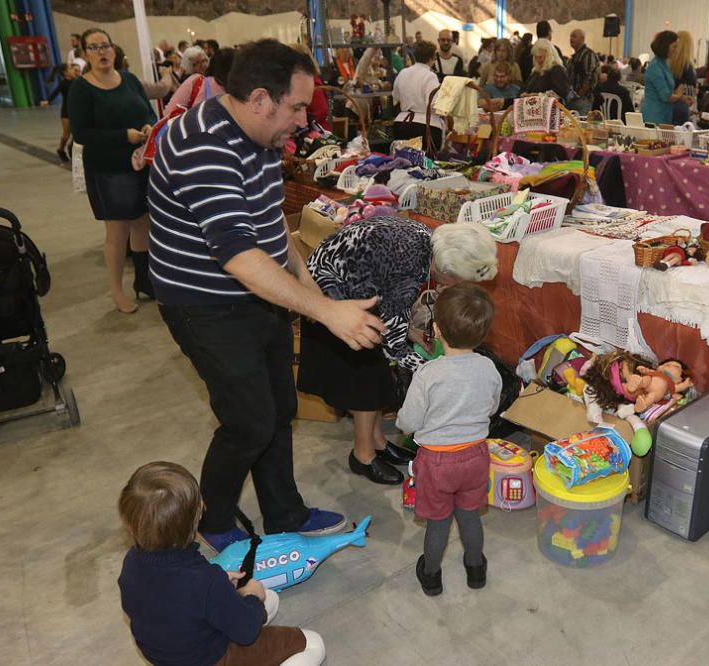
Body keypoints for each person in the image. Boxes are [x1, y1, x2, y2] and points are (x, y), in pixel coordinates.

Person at [148, 39, 384, 552]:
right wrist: (323, 311)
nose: (303, 119)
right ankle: (211, 518)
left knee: (278, 407)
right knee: (248, 421)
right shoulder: (202, 143)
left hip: (259, 293)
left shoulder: (260, 135)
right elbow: (237, 254)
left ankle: (284, 512)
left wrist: (307, 285)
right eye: (297, 106)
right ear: (260, 98)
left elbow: (268, 219)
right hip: (203, 303)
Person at [297, 220, 499, 486]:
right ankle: (363, 455)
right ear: (448, 272)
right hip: (331, 299)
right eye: (462, 280)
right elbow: (394, 346)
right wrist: (440, 367)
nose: (460, 285)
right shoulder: (410, 267)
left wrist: (411, 333)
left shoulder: (427, 241)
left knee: (374, 376)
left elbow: (394, 312)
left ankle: (377, 441)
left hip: (351, 286)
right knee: (368, 380)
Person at [117, 462, 326, 666]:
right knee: (313, 644)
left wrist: (221, 583)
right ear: (195, 518)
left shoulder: (131, 564)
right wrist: (252, 597)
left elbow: (171, 598)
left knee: (268, 599)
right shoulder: (205, 581)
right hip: (213, 658)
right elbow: (246, 632)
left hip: (166, 657)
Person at [397, 284, 501, 597]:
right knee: (469, 516)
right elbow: (492, 406)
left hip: (437, 462)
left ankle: (431, 576)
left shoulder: (429, 373)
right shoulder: (489, 368)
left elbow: (409, 421)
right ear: (483, 334)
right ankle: (475, 570)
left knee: (439, 523)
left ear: (437, 329)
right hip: (475, 456)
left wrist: (404, 428)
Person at [68, 28, 156, 314]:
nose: (102, 51)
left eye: (105, 45)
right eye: (93, 47)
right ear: (84, 55)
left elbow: (148, 112)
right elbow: (81, 133)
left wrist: (146, 127)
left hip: (139, 163)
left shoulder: (129, 80)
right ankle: (116, 291)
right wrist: (123, 136)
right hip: (108, 170)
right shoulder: (82, 88)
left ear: (114, 50)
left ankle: (145, 280)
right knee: (117, 232)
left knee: (143, 222)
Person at [392, 41, 443, 146]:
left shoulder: (403, 72)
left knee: (403, 161)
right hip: (423, 127)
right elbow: (433, 103)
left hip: (401, 124)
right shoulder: (430, 76)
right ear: (431, 58)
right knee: (424, 162)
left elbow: (395, 96)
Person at [164, 47, 235, 115]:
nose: (203, 65)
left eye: (204, 61)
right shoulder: (195, 81)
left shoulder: (235, 89)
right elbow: (170, 112)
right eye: (197, 63)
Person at [643, 31, 691, 125]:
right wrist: (679, 95)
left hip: (664, 115)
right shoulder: (655, 67)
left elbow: (667, 92)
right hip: (654, 117)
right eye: (674, 47)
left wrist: (683, 98)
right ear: (665, 46)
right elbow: (666, 96)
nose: (676, 50)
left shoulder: (664, 63)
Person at [40, 62, 81, 161]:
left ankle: (71, 149)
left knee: (77, 133)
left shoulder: (78, 82)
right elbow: (55, 93)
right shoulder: (63, 83)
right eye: (72, 69)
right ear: (66, 72)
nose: (75, 72)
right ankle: (61, 149)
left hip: (77, 111)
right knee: (66, 135)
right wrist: (48, 101)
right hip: (66, 112)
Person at [566, 29, 601, 115]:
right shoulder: (574, 57)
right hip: (572, 98)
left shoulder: (588, 55)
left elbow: (590, 78)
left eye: (574, 36)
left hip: (582, 100)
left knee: (580, 126)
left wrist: (579, 95)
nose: (571, 39)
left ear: (582, 39)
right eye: (570, 36)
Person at [669, 30, 698, 124]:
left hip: (666, 107)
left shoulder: (667, 63)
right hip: (681, 107)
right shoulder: (688, 66)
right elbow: (690, 92)